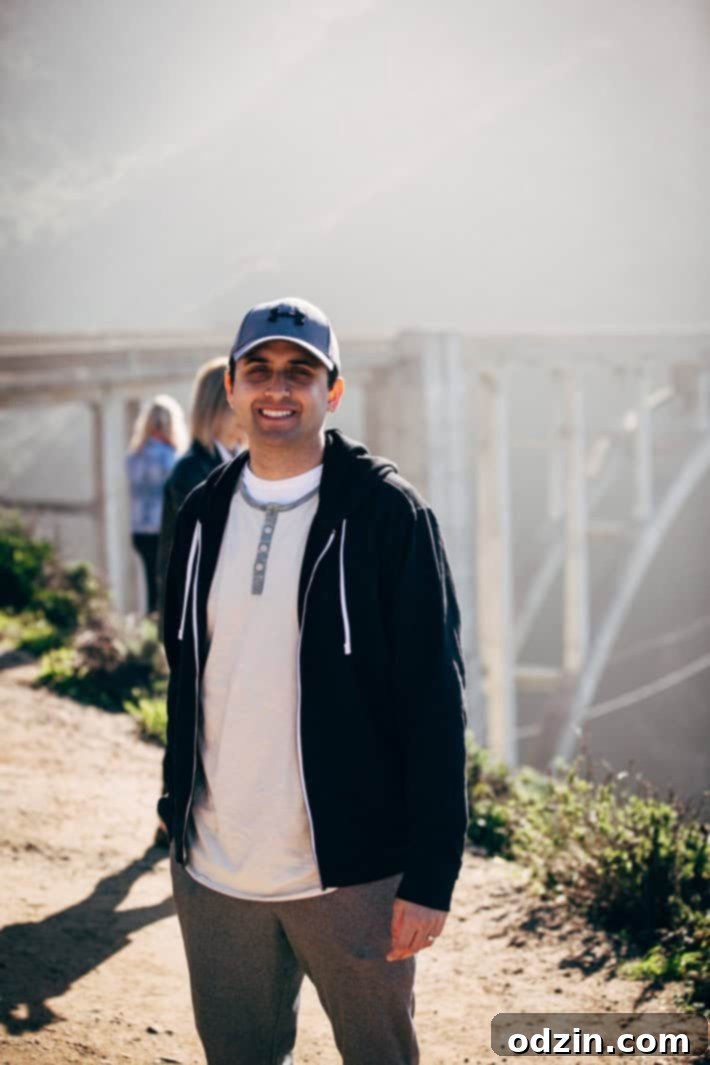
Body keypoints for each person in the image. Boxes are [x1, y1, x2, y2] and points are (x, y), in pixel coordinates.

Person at [160, 297, 468, 1065]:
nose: (277, 388)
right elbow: (188, 674)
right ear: (230, 386)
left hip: (353, 876)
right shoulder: (201, 513)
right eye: (259, 370)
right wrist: (175, 812)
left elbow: (436, 700)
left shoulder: (389, 515)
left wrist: (430, 874)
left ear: (332, 392)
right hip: (216, 872)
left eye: (300, 372)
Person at [156, 356, 247, 626]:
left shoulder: (252, 461)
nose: (247, 413)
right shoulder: (189, 471)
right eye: (236, 406)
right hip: (199, 611)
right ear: (214, 408)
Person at [125, 395, 186, 613]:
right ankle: (163, 631)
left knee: (151, 581)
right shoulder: (173, 458)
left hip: (140, 529)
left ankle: (150, 625)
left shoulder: (133, 457)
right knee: (168, 585)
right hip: (164, 529)